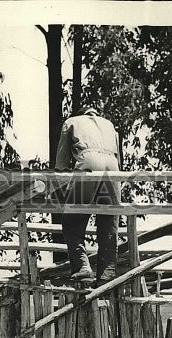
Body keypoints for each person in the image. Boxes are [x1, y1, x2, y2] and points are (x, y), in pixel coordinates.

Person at [54, 105, 123, 286]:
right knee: (109, 225)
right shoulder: (109, 125)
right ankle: (107, 275)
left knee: (72, 223)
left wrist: (61, 192)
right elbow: (120, 160)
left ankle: (82, 267)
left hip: (89, 163)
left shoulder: (71, 122)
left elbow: (61, 164)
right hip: (113, 169)